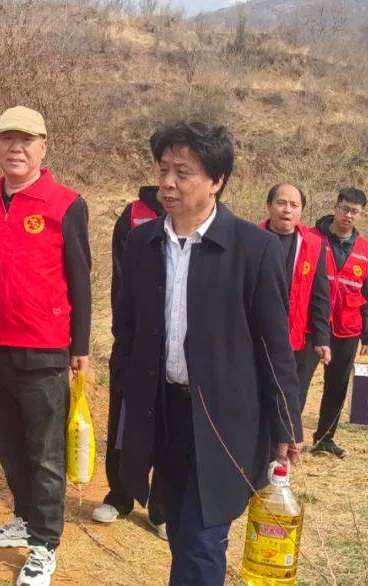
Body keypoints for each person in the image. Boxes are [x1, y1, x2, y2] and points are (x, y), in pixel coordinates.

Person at [112, 122, 302, 585]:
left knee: (202, 538)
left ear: (217, 180)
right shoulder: (142, 243)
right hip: (163, 411)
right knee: (179, 527)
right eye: (163, 170)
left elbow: (274, 345)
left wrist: (286, 425)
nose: (168, 183)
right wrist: (124, 407)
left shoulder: (253, 249)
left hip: (225, 420)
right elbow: (127, 332)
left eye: (183, 173)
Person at [0, 106, 91, 586]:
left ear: (43, 147)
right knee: (7, 442)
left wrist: (80, 345)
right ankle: (25, 517)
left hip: (43, 347)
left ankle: (45, 544)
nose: (16, 148)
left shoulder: (65, 204)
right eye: (7, 138)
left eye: (27, 140)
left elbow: (80, 277)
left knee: (44, 453)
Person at [92, 185, 167, 538]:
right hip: (135, 338)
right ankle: (119, 496)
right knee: (122, 418)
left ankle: (161, 508)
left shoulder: (199, 216)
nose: (172, 179)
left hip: (178, 345)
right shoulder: (133, 215)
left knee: (170, 424)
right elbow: (120, 278)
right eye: (165, 167)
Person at [311, 187, 368, 459]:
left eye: (354, 212)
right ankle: (285, 438)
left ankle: (325, 439)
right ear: (335, 208)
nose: (348, 215)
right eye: (345, 209)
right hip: (312, 325)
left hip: (347, 326)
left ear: (361, 214)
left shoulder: (364, 248)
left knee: (337, 386)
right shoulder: (312, 238)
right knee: (296, 382)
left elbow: (367, 292)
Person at [258, 184, 332, 416]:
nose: (287, 210)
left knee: (291, 401)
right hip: (255, 336)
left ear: (301, 210)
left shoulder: (313, 244)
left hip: (297, 337)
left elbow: (320, 295)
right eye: (281, 203)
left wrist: (321, 337)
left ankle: (286, 437)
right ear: (269, 205)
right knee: (256, 397)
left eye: (294, 205)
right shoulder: (251, 239)